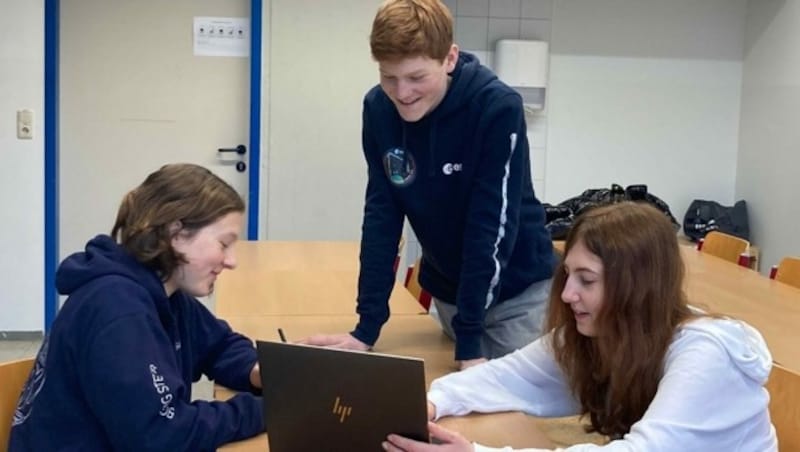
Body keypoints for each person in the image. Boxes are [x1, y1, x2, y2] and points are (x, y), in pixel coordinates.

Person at [382, 202, 777, 451]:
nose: (568, 294)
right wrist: (431, 404)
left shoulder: (704, 354)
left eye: (587, 281)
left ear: (635, 288)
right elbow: (505, 378)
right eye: (567, 275)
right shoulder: (599, 334)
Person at [301, 0, 555, 369]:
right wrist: (366, 329)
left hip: (516, 298)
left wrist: (469, 342)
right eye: (389, 77)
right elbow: (381, 217)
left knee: (507, 417)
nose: (402, 93)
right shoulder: (378, 109)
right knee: (441, 403)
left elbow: (491, 226)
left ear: (449, 59)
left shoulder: (496, 107)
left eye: (417, 78)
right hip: (451, 297)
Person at [9, 164, 265, 451]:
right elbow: (161, 436)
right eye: (224, 244)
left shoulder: (165, 291)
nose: (232, 261)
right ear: (176, 234)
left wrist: (259, 370)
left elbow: (219, 345)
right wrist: (264, 409)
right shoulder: (117, 309)